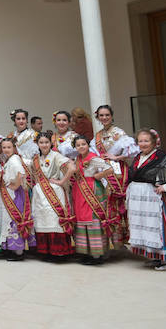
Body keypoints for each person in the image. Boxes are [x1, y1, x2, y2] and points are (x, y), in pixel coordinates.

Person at [127, 128, 166, 270]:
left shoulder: (161, 157)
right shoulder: (138, 157)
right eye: (140, 141)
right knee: (147, 226)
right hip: (142, 201)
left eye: (146, 141)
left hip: (156, 200)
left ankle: (165, 259)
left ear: (154, 142)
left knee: (159, 227)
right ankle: (155, 256)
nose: (143, 144)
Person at [93, 104, 138, 247]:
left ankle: (125, 238)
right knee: (107, 202)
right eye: (101, 115)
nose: (104, 118)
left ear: (111, 116)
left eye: (107, 115)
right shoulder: (98, 135)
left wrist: (117, 157)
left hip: (118, 172)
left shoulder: (119, 133)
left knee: (119, 202)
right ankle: (113, 242)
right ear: (98, 117)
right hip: (103, 170)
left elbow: (133, 150)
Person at [72, 135, 116, 265]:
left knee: (93, 219)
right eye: (78, 145)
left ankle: (97, 255)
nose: (81, 147)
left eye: (83, 144)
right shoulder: (78, 158)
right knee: (83, 220)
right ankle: (87, 252)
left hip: (93, 191)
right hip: (80, 191)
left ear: (88, 145)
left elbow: (110, 169)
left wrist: (98, 175)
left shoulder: (93, 158)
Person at [31, 131, 75, 260]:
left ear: (51, 143)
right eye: (41, 142)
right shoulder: (36, 159)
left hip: (54, 192)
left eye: (46, 142)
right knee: (42, 220)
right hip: (40, 193)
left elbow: (72, 167)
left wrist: (61, 181)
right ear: (37, 144)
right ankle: (46, 251)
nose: (44, 145)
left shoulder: (56, 155)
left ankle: (59, 252)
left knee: (55, 221)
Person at [0, 137, 35, 261]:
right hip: (8, 192)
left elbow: (21, 174)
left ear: (14, 148)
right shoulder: (9, 159)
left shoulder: (14, 159)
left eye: (9, 147)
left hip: (14, 194)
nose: (6, 149)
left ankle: (18, 251)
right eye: (4, 147)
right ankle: (11, 249)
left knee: (14, 218)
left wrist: (15, 186)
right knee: (8, 219)